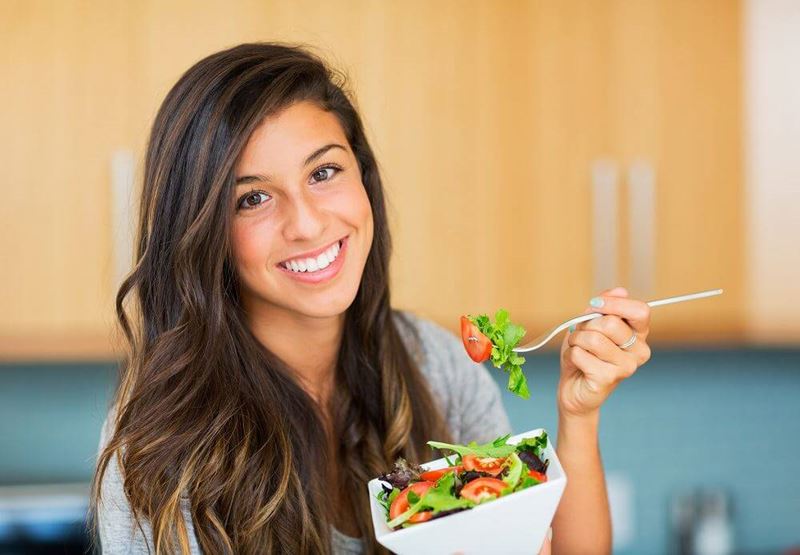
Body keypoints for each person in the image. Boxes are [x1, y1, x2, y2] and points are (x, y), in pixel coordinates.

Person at [91, 42, 652, 555]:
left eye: (324, 171)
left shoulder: (436, 365)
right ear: (200, 228)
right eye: (254, 198)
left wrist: (577, 416)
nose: (307, 224)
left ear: (364, 178)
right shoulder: (156, 444)